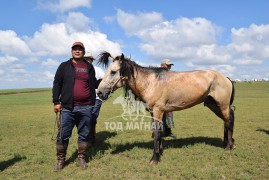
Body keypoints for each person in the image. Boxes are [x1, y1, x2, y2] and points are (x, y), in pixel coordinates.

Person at [52, 42, 96, 171]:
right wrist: (56, 102)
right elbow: (57, 84)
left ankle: (81, 157)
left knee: (84, 134)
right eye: (75, 49)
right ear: (72, 51)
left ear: (83, 51)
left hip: (86, 107)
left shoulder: (89, 67)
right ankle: (61, 160)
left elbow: (93, 84)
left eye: (80, 49)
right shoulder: (64, 66)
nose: (77, 51)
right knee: (63, 134)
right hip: (67, 108)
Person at [84, 52, 104, 146]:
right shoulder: (80, 70)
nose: (87, 60)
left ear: (92, 60)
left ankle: (91, 139)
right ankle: (86, 137)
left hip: (96, 98)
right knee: (85, 118)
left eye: (89, 59)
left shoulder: (98, 70)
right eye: (86, 58)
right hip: (84, 98)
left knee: (92, 117)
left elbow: (104, 83)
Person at [160, 59, 176, 138]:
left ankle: (168, 132)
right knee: (158, 116)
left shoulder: (171, 74)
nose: (169, 67)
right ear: (162, 65)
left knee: (169, 116)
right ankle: (157, 133)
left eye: (170, 65)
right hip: (159, 99)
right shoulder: (157, 74)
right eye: (168, 65)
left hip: (169, 99)